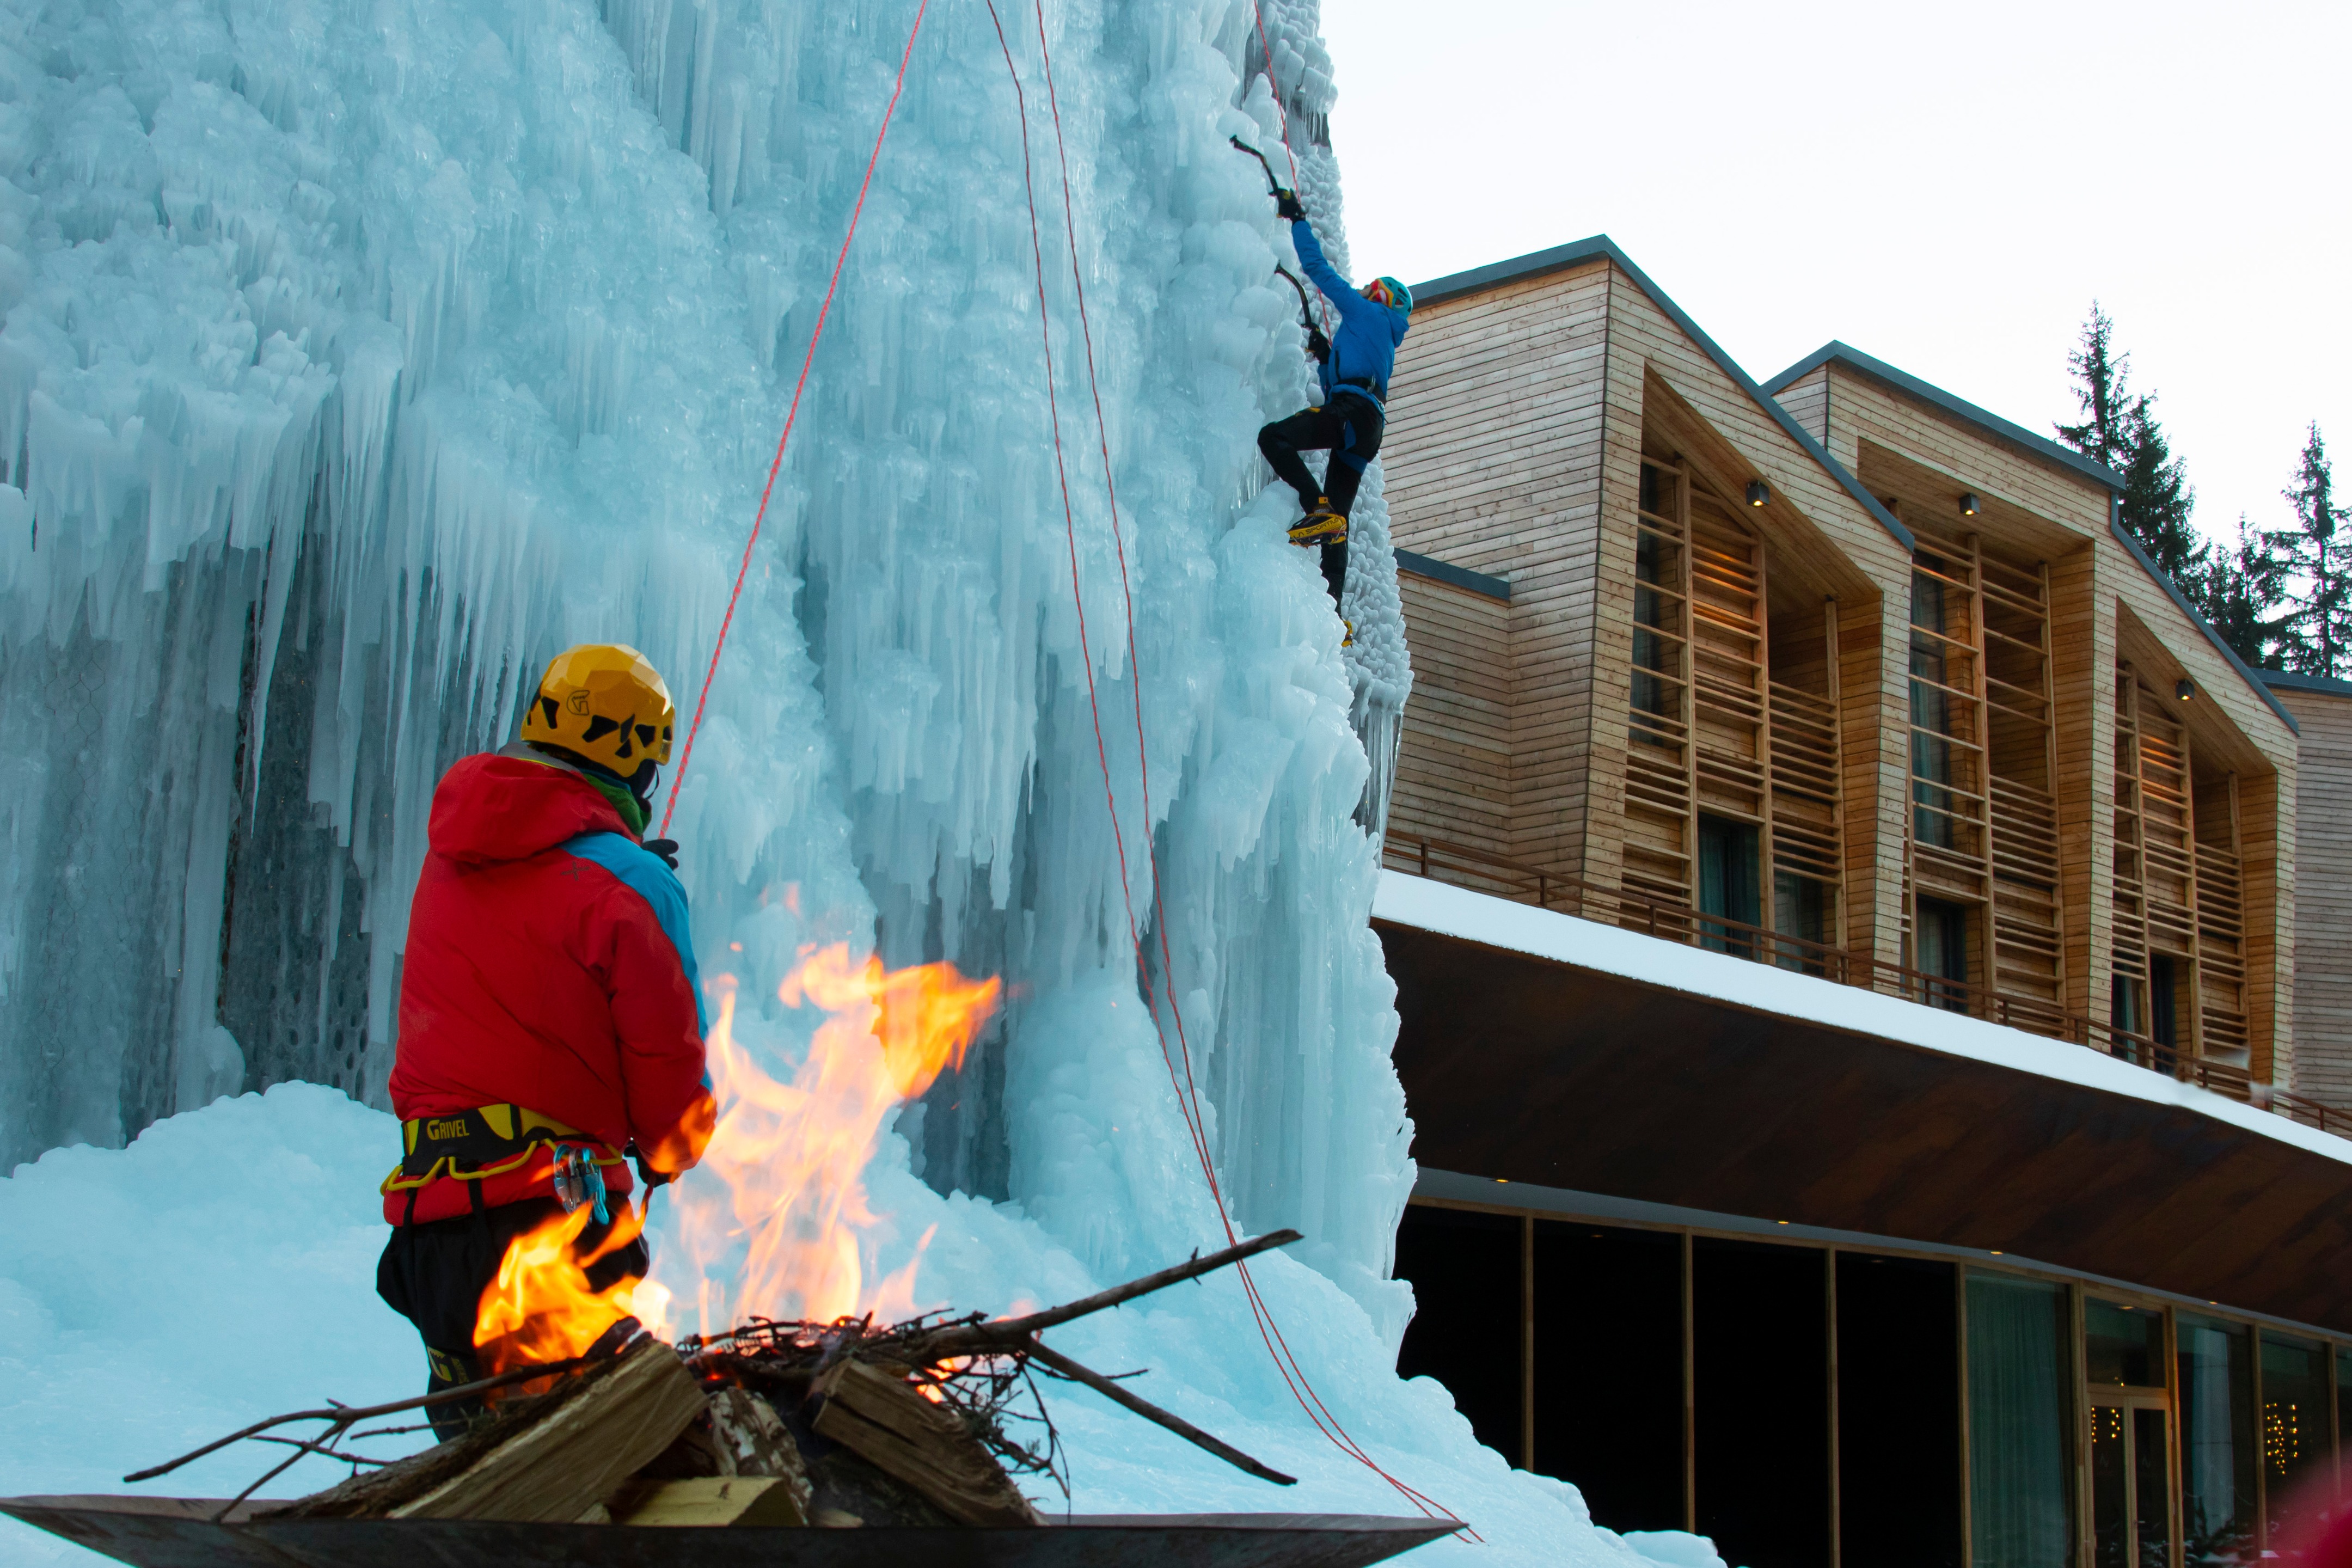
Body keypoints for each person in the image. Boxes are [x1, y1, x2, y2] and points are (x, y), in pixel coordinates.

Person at [376, 642, 716, 1436]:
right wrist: (669, 1153)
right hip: (553, 1220)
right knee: (634, 1455)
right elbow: (671, 1094)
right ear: (633, 762)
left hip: (432, 1235)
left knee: (490, 1481)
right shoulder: (634, 886)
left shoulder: (451, 857)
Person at [1255, 187, 1413, 629]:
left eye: (1371, 290)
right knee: (1339, 522)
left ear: (1380, 297)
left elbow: (1318, 271)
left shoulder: (1367, 315)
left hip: (1354, 413)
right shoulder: (1377, 336)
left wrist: (1298, 217)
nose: (1363, 292)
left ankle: (1313, 504)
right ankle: (1334, 617)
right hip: (1366, 426)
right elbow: (1339, 385)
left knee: (1274, 437)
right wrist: (1327, 358)